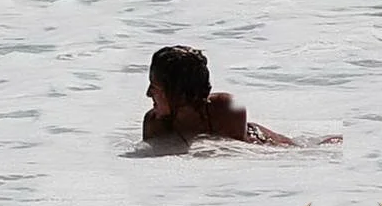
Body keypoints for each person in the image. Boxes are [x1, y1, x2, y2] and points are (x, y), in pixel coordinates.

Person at [142, 45, 339, 147]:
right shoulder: (155, 123)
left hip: (266, 143)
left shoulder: (225, 108)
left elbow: (237, 155)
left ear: (180, 93)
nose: (148, 93)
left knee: (316, 150)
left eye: (155, 87)